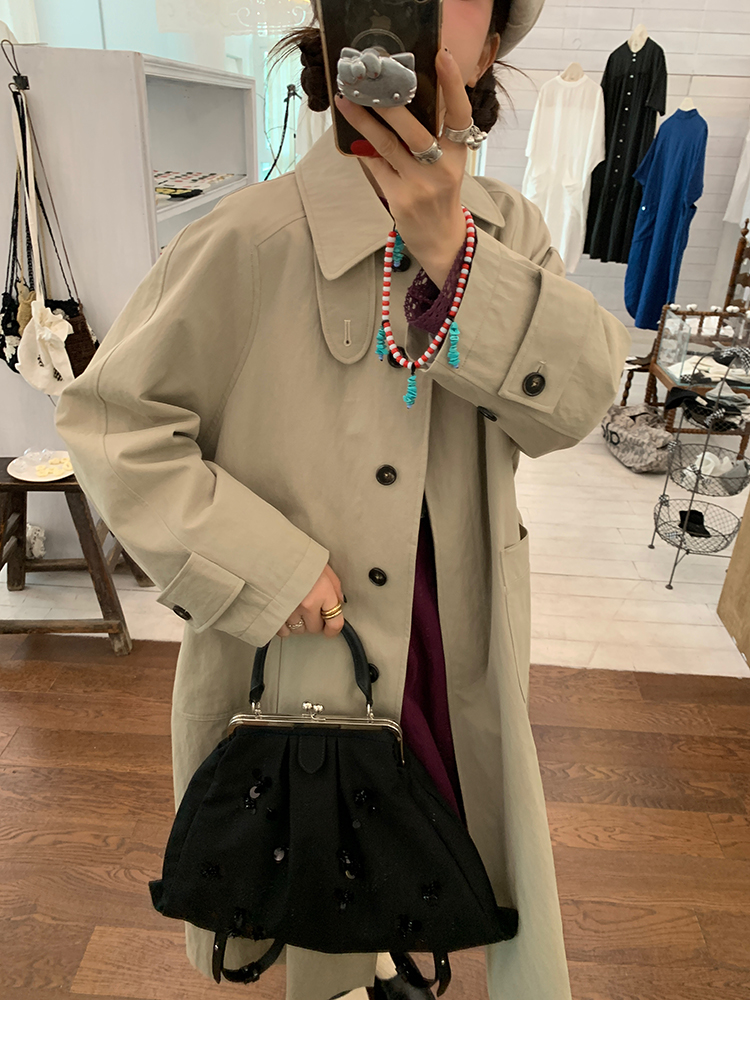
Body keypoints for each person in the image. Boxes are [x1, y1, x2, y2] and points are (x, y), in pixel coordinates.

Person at [54, 0, 630, 1001]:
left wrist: (455, 257)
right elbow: (110, 424)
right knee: (321, 907)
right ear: (334, 25)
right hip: (302, 654)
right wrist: (265, 569)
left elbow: (573, 407)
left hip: (457, 651)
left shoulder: (514, 234)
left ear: (491, 48)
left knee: (448, 869)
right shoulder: (245, 239)